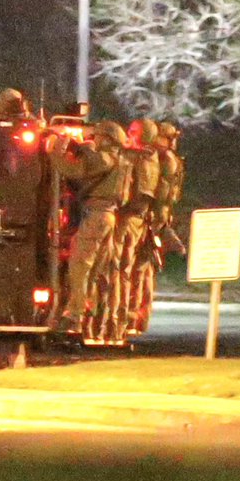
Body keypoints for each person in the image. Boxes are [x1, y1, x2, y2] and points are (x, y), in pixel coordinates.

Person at [49, 120, 132, 335]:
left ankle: (75, 315)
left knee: (79, 264)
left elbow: (70, 169)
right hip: (106, 217)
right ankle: (90, 313)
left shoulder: (104, 158)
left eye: (97, 136)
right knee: (96, 269)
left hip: (96, 216)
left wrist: (56, 147)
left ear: (107, 139)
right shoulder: (119, 160)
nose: (93, 138)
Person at [105, 118, 160, 340]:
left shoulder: (137, 158)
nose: (129, 134)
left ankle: (115, 322)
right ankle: (123, 321)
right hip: (138, 221)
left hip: (127, 219)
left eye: (133, 132)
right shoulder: (153, 159)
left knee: (116, 270)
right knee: (127, 272)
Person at [154, 122, 187, 255]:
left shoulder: (165, 158)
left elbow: (164, 189)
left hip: (158, 211)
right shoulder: (170, 158)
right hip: (162, 211)